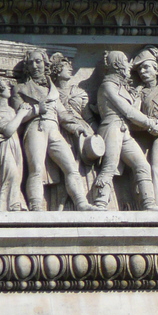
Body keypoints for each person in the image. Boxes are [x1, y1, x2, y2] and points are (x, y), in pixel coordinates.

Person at [13, 48, 100, 211]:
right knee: (36, 168)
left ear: (45, 63)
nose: (34, 65)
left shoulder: (52, 89)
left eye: (38, 61)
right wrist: (37, 109)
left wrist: (77, 128)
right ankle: (36, 205)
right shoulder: (20, 88)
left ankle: (81, 203)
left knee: (71, 167)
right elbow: (18, 116)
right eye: (30, 62)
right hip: (35, 128)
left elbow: (62, 114)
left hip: (54, 130)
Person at [92, 50, 158, 210]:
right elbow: (128, 111)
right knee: (109, 166)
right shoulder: (107, 85)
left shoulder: (121, 87)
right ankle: (100, 202)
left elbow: (132, 110)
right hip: (111, 128)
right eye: (125, 61)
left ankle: (148, 203)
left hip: (123, 130)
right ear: (117, 65)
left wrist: (137, 96)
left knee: (142, 165)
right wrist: (150, 122)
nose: (129, 64)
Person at [132, 47, 158, 209]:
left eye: (146, 67)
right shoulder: (140, 94)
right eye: (140, 69)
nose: (142, 71)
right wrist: (148, 125)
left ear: (156, 70)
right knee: (156, 169)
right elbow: (133, 116)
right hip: (157, 136)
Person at [0, 75, 31, 211]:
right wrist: (21, 114)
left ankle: (13, 202)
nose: (10, 88)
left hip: (15, 145)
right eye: (6, 85)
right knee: (11, 174)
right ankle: (10, 205)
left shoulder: (11, 110)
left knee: (18, 175)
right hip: (3, 147)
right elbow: (8, 130)